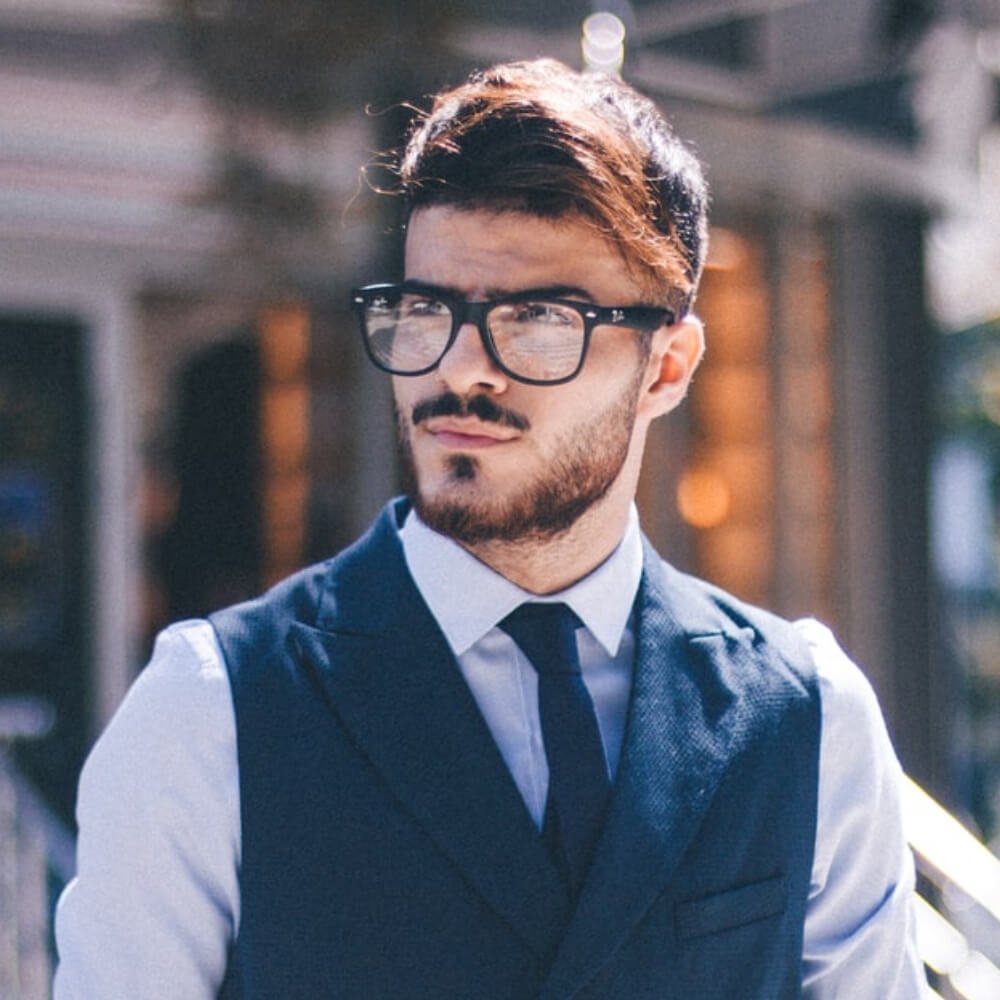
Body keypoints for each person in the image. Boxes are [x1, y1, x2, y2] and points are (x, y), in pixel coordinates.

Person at [54, 58, 925, 998]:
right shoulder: (210, 710)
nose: (459, 369)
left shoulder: (807, 717)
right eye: (426, 309)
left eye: (539, 318)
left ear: (667, 368)